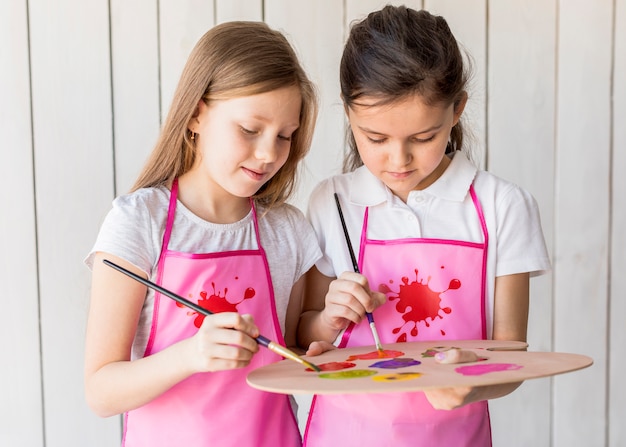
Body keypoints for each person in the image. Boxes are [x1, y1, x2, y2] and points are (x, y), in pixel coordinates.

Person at [297, 5, 551, 447]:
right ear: (349, 114)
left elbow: (513, 359)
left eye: (423, 137)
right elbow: (303, 333)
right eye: (375, 138)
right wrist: (328, 320)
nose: (398, 160)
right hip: (340, 435)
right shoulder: (331, 201)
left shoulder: (502, 206)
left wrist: (470, 380)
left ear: (457, 112)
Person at [84, 21, 321, 447]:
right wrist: (191, 355)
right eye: (250, 129)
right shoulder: (139, 222)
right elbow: (101, 392)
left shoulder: (288, 230)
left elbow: (291, 354)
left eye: (285, 136)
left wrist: (321, 345)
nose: (269, 153)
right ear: (196, 114)